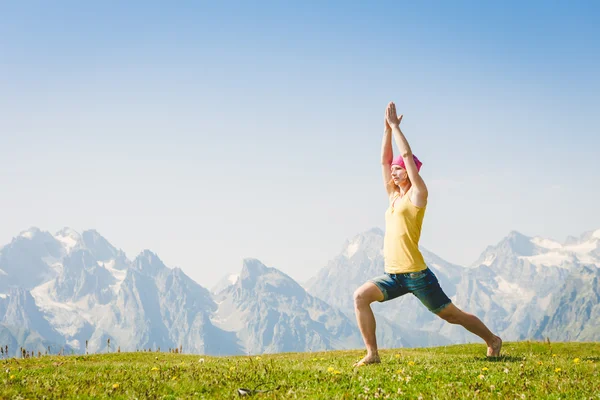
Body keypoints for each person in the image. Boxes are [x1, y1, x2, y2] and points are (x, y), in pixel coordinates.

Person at [352, 102, 502, 367]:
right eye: (394, 170)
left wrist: (397, 128)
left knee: (451, 315)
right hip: (393, 275)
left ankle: (492, 340)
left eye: (399, 170)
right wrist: (386, 129)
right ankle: (372, 354)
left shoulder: (417, 195)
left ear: (409, 173)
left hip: (417, 276)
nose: (394, 172)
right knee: (360, 296)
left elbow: (406, 156)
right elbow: (384, 161)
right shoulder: (393, 196)